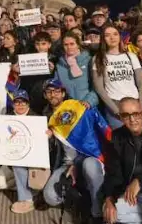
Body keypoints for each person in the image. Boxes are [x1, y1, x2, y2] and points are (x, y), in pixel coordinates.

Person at [42, 79, 107, 221]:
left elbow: (100, 135)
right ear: (45, 95)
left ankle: (97, 213)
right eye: (49, 92)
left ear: (63, 93)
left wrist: (76, 163)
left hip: (88, 158)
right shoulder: (46, 116)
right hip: (65, 164)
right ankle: (79, 198)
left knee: (90, 167)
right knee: (50, 197)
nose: (53, 95)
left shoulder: (79, 108)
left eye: (57, 91)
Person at [0, 90, 42, 214]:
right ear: (13, 104)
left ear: (28, 104)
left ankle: (27, 200)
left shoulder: (37, 119)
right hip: (10, 162)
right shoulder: (6, 118)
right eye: (17, 102)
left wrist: (47, 135)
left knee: (19, 162)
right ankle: (27, 188)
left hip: (32, 164)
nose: (20, 105)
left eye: (23, 102)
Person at [91, 26, 142, 129]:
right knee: (121, 140)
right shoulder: (98, 58)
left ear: (120, 37)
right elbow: (99, 88)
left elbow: (141, 84)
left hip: (135, 103)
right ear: (103, 39)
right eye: (107, 35)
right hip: (115, 105)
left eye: (115, 34)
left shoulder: (131, 56)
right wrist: (116, 111)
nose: (112, 38)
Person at [53, 32, 99, 107]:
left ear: (78, 45)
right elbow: (57, 89)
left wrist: (89, 101)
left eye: (72, 44)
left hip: (87, 106)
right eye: (66, 45)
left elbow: (97, 86)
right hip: (68, 108)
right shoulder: (59, 65)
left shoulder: (89, 61)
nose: (69, 47)